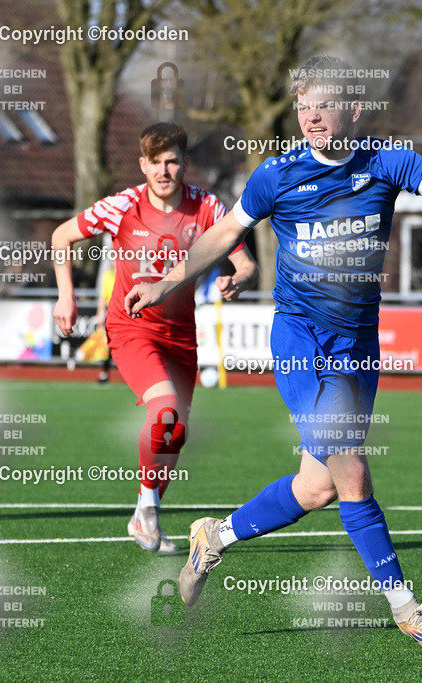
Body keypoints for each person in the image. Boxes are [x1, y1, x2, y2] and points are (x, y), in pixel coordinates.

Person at [126, 56, 422, 650]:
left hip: (358, 344)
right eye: (303, 107)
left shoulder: (385, 161)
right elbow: (224, 235)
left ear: (352, 107)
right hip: (303, 342)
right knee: (352, 474)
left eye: (323, 105)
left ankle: (214, 537)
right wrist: (170, 281)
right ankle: (408, 610)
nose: (312, 117)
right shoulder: (277, 175)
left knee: (317, 487)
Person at [51, 122, 258, 552]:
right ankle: (147, 509)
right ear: (143, 165)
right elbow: (61, 236)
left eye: (172, 161)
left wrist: (236, 279)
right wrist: (66, 298)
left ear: (185, 163)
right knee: (164, 410)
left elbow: (247, 263)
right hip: (131, 329)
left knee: (175, 432)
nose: (164, 170)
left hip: (181, 335)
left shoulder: (208, 208)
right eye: (156, 162)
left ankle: (144, 516)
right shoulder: (123, 205)